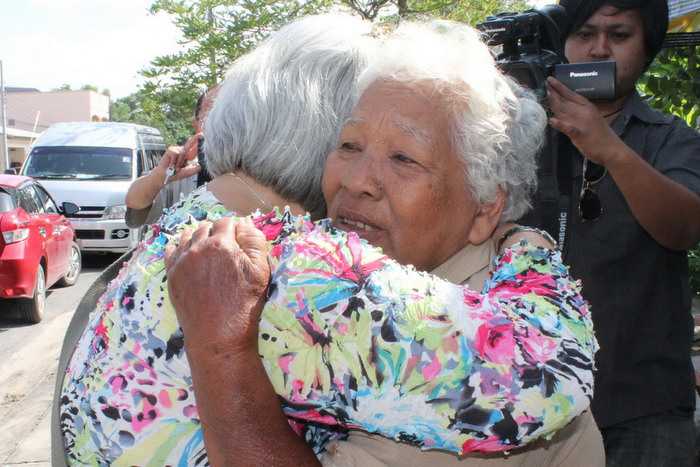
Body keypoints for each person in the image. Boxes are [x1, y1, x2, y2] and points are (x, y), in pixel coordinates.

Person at [55, 15, 600, 467]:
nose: (359, 177)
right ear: (321, 138)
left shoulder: (185, 230)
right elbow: (551, 370)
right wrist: (528, 246)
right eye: (349, 143)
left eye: (403, 156)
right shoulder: (300, 271)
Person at [528, 1, 700, 465]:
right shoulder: (525, 138)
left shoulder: (671, 138)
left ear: (646, 51)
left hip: (645, 407)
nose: (599, 48)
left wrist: (608, 149)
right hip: (532, 403)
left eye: (619, 35)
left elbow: (684, 227)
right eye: (584, 33)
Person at [124, 86, 218, 228]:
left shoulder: (259, 174)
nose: (221, 128)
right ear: (196, 124)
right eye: (210, 118)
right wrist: (158, 179)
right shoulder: (180, 169)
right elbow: (135, 214)